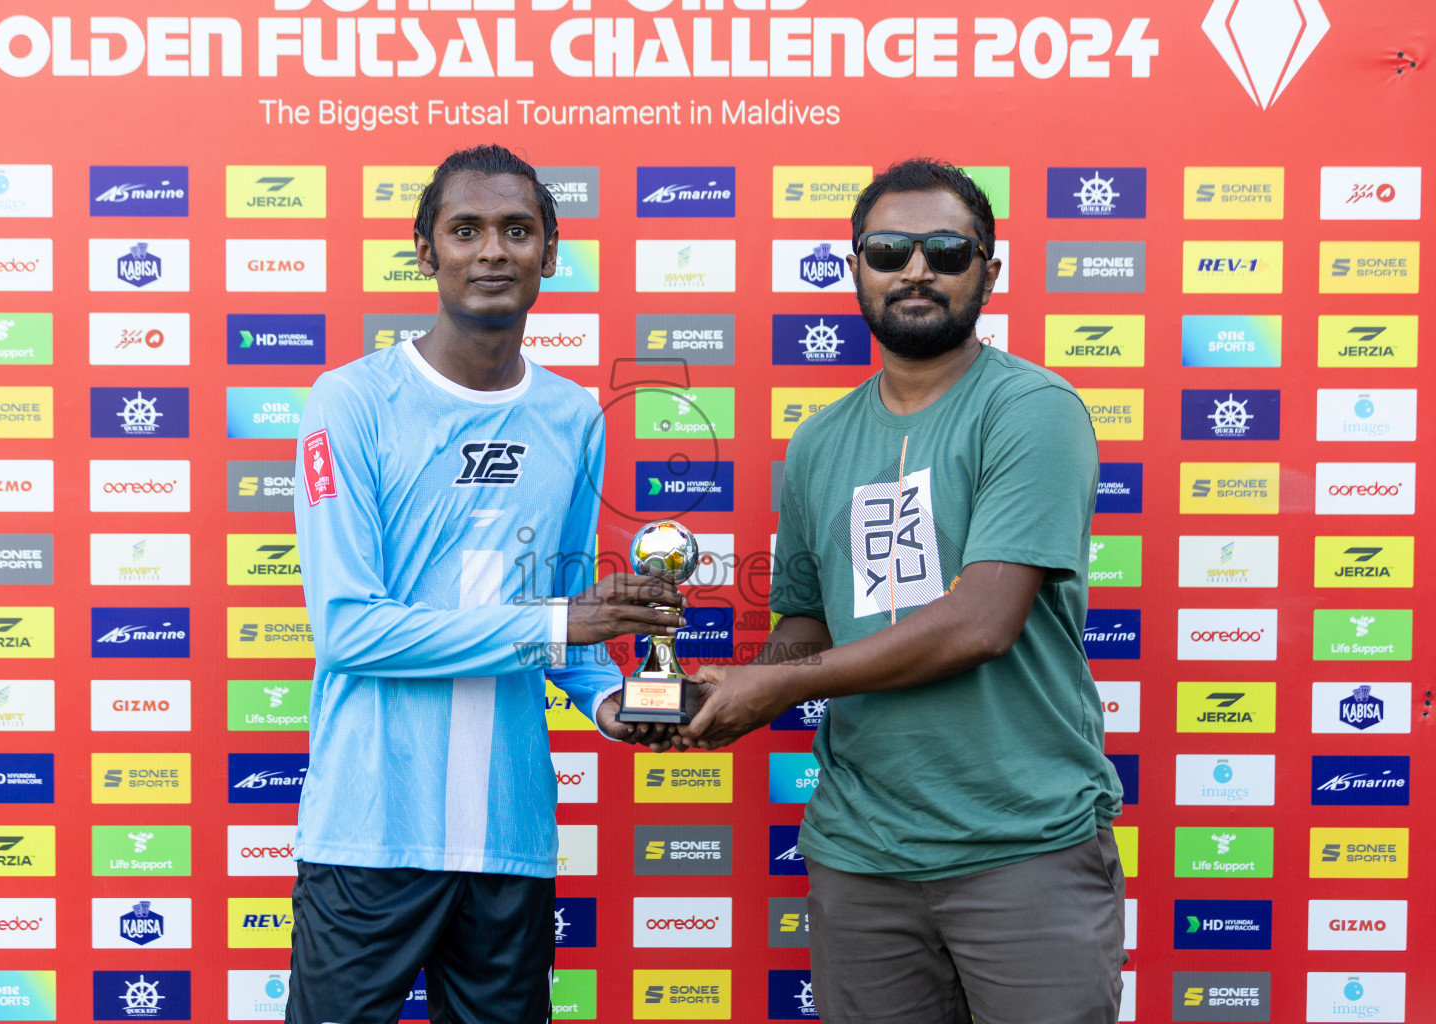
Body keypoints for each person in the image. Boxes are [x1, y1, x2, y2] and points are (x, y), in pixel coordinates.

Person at [684, 159, 1127, 1023]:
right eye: (889, 249)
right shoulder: (816, 445)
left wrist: (772, 686)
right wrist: (716, 697)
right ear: (855, 267)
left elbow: (982, 621)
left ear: (988, 273)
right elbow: (807, 627)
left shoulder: (1032, 408)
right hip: (862, 856)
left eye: (946, 250)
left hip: (1021, 847)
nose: (915, 269)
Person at [287, 144, 682, 1024]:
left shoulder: (575, 416)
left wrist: (622, 705)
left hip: (509, 841)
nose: (492, 250)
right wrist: (554, 626)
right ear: (426, 251)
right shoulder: (350, 401)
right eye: (465, 230)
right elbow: (352, 629)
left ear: (551, 251)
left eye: (516, 229)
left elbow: (570, 622)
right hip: (369, 835)